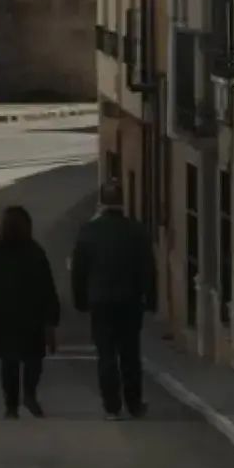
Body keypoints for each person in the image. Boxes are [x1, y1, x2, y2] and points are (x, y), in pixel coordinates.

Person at [71, 180, 157, 421]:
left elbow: (79, 270)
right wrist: (151, 299)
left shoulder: (88, 231)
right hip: (130, 301)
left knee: (106, 353)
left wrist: (80, 299)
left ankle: (112, 407)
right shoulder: (137, 231)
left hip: (100, 301)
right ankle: (134, 404)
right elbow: (148, 268)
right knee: (130, 353)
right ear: (122, 204)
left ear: (101, 204)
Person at [0, 205, 61, 419]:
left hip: (2, 318)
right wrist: (50, 318)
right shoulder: (34, 251)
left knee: (9, 361)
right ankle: (29, 393)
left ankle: (11, 406)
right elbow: (47, 287)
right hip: (31, 316)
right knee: (33, 358)